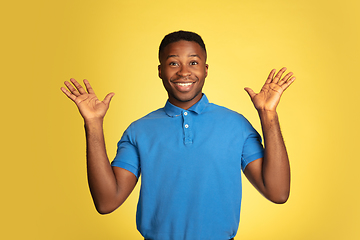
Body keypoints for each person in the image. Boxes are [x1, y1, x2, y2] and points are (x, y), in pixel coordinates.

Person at [60, 30, 295, 240]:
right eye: (174, 63)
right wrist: (93, 124)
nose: (184, 72)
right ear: (161, 71)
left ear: (205, 70)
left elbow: (278, 192)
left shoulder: (236, 125)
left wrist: (268, 114)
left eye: (193, 62)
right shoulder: (139, 130)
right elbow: (106, 202)